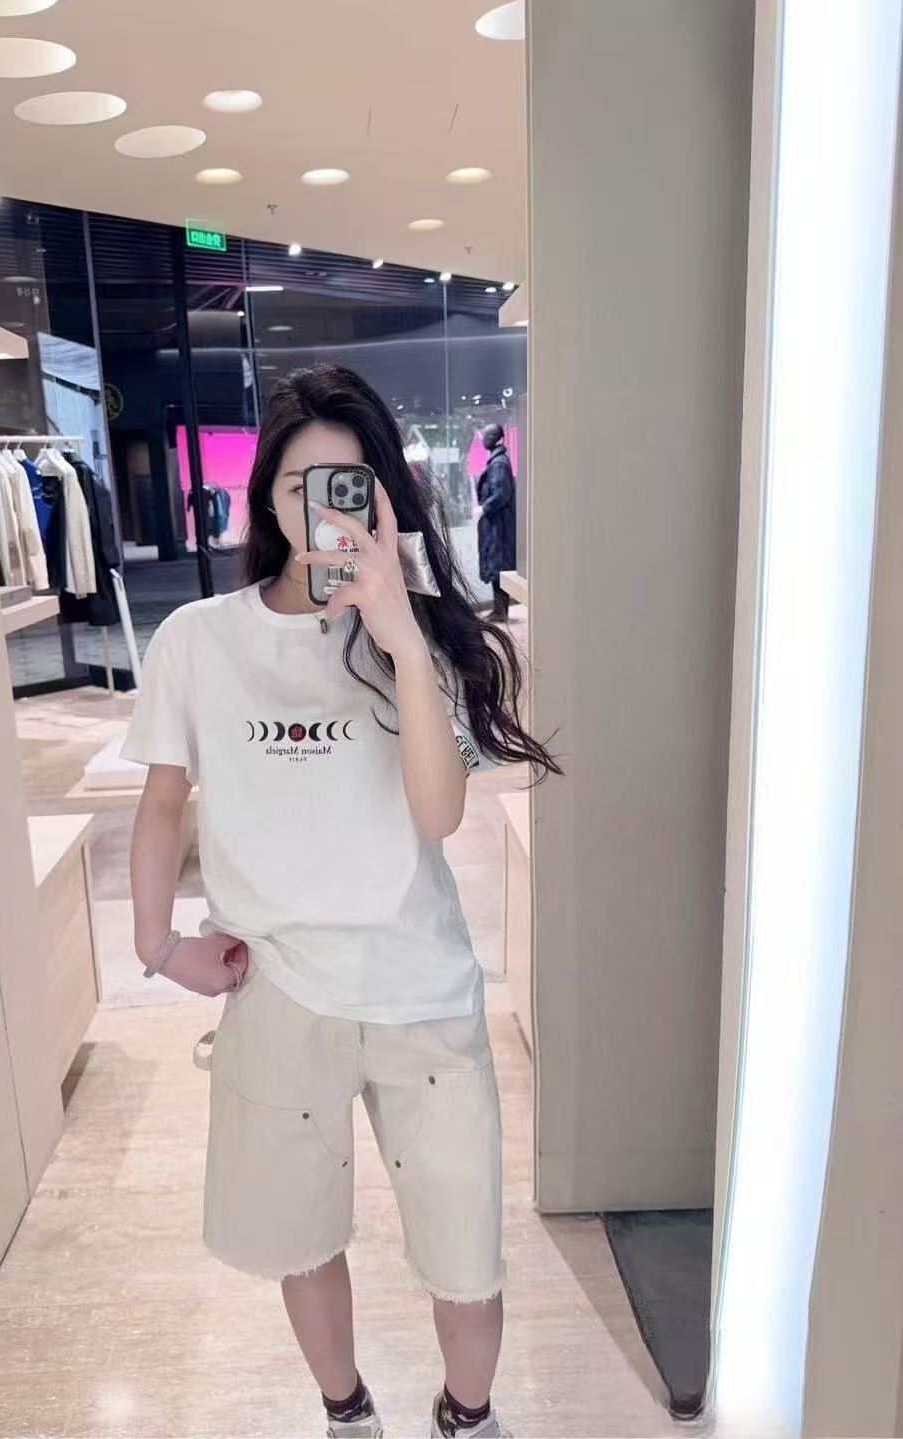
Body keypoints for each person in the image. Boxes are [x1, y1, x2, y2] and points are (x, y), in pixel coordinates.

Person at [123, 366, 560, 1439]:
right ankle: (347, 1411)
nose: (328, 508)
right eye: (303, 485)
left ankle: (467, 1415)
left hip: (421, 989)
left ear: (384, 498)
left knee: (467, 1256)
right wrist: (158, 945)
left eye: (352, 484)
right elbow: (163, 800)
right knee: (300, 1234)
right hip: (278, 988)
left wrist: (399, 634)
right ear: (269, 500)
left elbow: (436, 813)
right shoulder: (199, 640)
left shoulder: (421, 638)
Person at [476, 424, 516, 621]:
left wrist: (485, 508)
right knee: (496, 565)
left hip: (499, 526)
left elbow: (501, 493)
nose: (484, 439)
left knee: (499, 566)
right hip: (495, 524)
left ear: (496, 438)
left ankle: (501, 611)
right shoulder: (497, 461)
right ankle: (499, 609)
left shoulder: (499, 463)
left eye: (488, 435)